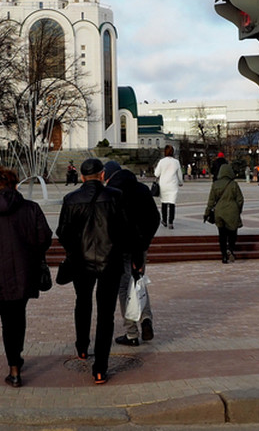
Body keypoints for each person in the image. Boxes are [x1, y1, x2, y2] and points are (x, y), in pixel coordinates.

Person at [0, 168, 52, 388]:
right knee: (19, 315)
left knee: (7, 321)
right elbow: (45, 237)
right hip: (25, 271)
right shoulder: (31, 208)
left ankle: (14, 367)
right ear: (16, 186)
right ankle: (17, 356)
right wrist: (32, 250)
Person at [57, 158, 138, 385]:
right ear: (102, 175)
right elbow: (126, 230)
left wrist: (75, 249)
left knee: (82, 303)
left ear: (82, 177)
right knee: (105, 314)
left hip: (81, 262)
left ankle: (82, 346)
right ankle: (100, 368)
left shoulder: (71, 199)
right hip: (109, 262)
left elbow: (62, 232)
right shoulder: (115, 196)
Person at [105, 161, 159, 348]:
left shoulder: (112, 193)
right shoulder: (142, 189)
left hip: (121, 248)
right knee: (138, 283)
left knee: (123, 288)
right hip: (140, 246)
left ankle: (131, 332)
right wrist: (144, 243)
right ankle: (146, 318)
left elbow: (110, 223)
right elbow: (155, 218)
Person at [204, 163, 244, 264]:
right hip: (232, 211)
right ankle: (230, 249)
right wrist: (238, 210)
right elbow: (240, 199)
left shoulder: (215, 184)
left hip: (219, 212)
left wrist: (206, 213)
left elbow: (211, 201)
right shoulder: (234, 184)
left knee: (222, 234)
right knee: (232, 233)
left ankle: (224, 256)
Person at [153, 145, 183, 230]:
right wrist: (181, 182)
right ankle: (171, 222)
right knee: (172, 204)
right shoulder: (176, 162)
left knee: (164, 203)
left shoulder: (162, 161)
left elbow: (156, 174)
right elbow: (179, 174)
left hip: (164, 185)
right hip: (173, 185)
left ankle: (164, 220)